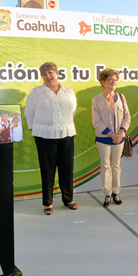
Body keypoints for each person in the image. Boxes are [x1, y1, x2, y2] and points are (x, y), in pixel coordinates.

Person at [25, 62, 78, 215]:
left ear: (57, 73)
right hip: (44, 136)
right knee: (47, 171)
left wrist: (64, 123)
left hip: (66, 134)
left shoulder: (68, 91)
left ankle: (68, 199)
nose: (48, 76)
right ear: (42, 77)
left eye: (50, 73)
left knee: (67, 169)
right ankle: (47, 203)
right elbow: (29, 113)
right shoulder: (36, 93)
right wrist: (39, 126)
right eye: (44, 74)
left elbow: (72, 111)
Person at [92, 68, 131, 207]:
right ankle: (107, 194)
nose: (114, 82)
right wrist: (111, 134)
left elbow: (127, 116)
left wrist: (121, 132)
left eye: (115, 80)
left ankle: (116, 192)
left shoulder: (121, 97)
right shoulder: (96, 100)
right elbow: (96, 122)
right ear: (103, 82)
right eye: (110, 80)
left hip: (119, 138)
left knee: (116, 166)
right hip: (103, 138)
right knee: (105, 166)